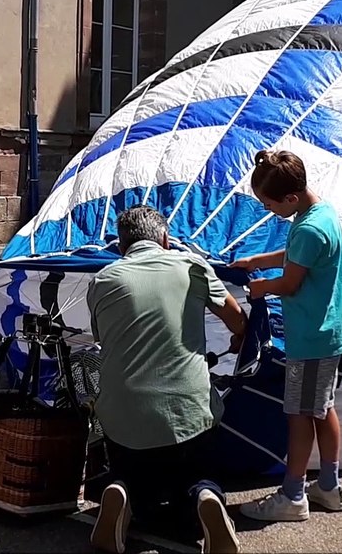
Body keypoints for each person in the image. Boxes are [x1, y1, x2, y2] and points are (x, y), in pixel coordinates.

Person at [86, 206, 248, 554]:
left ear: (121, 246)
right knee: (193, 471)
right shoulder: (191, 266)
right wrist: (238, 337)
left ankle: (122, 490)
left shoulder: (102, 280)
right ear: (165, 239)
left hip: (123, 412)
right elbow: (238, 319)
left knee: (133, 466)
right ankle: (205, 494)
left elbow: (102, 335)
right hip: (188, 408)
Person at [233, 149, 342, 523]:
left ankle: (293, 495)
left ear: (290, 198)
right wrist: (257, 260)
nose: (267, 210)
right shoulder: (319, 212)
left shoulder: (308, 227)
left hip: (313, 337)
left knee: (299, 415)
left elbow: (291, 283)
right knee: (322, 410)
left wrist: (261, 288)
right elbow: (297, 255)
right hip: (334, 331)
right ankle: (328, 485)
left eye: (269, 203)